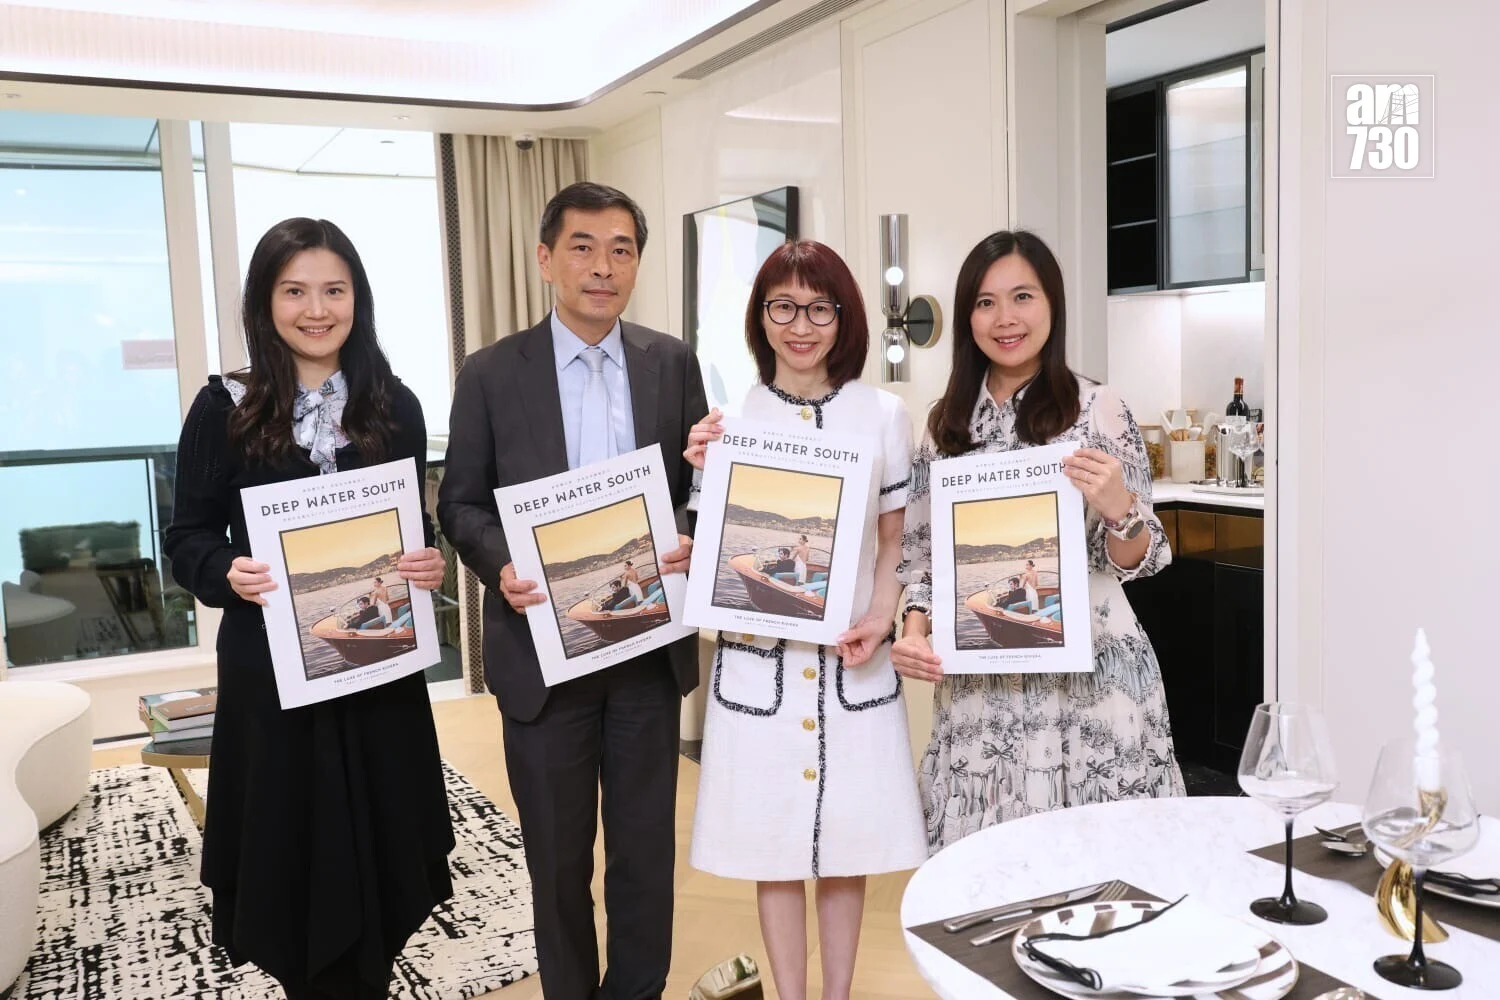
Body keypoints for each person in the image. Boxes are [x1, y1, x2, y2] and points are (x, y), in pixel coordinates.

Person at [163, 217, 454, 999]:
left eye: (334, 290)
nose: (316, 310)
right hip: (272, 680)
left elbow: (414, 532)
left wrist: (428, 562)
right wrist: (227, 570)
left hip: (377, 672)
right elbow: (186, 537)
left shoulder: (395, 405)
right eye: (295, 291)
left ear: (358, 298)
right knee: (292, 860)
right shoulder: (222, 408)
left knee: (384, 852)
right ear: (265, 301)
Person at [437, 182, 707, 1000]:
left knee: (644, 855)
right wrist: (499, 566)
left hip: (646, 651)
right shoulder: (491, 373)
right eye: (583, 247)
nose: (603, 267)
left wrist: (690, 533)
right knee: (556, 863)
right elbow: (460, 503)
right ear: (546, 258)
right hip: (541, 659)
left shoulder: (672, 362)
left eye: (622, 250)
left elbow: (696, 489)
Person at [683, 240, 926, 1000]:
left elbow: (897, 540)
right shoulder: (731, 421)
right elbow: (710, 547)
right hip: (761, 664)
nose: (801, 326)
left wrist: (882, 617)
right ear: (761, 318)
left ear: (844, 317)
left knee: (848, 848)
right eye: (783, 307)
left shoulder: (883, 415)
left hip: (853, 661)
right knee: (774, 847)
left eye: (820, 309)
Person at [891, 230, 1185, 850]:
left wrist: (1120, 508)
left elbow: (1144, 558)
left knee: (1104, 865)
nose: (1006, 318)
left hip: (1093, 678)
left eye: (1022, 296)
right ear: (968, 316)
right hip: (983, 685)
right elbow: (923, 560)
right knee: (986, 866)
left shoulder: (1099, 408)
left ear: (1052, 303)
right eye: (986, 302)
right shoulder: (945, 425)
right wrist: (914, 631)